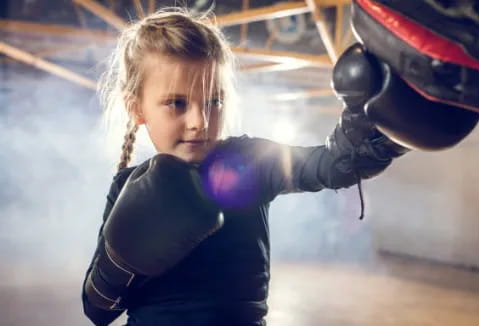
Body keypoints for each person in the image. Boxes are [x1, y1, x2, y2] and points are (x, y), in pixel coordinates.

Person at [81, 7, 407, 326]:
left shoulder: (248, 161)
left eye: (214, 101)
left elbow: (333, 166)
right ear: (137, 109)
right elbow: (97, 310)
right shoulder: (126, 186)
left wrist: (373, 123)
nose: (200, 121)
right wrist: (119, 262)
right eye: (176, 103)